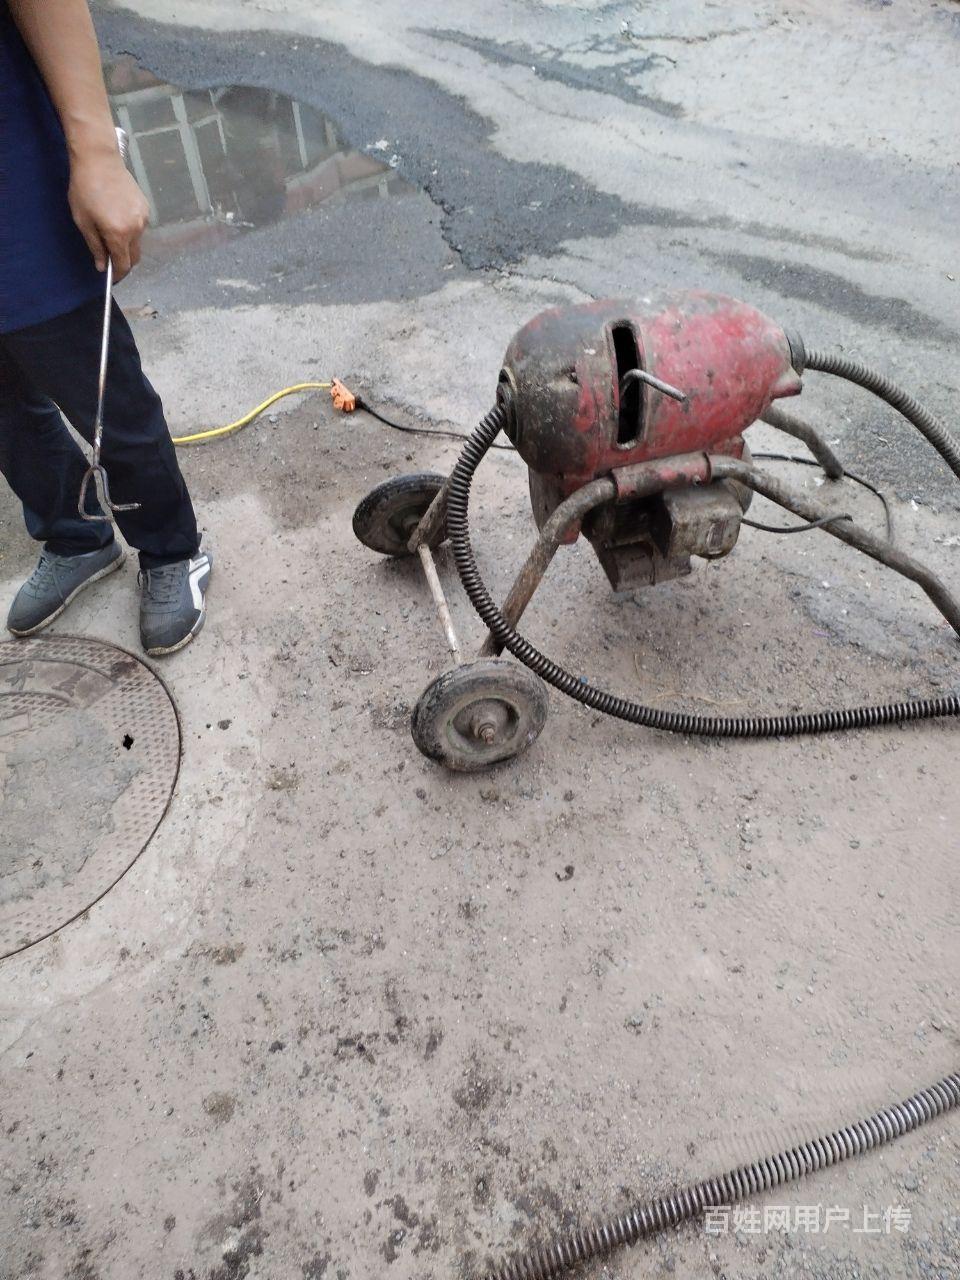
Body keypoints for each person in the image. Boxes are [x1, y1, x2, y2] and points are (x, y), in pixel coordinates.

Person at [0, 0, 211, 656]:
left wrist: (94, 153)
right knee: (5, 411)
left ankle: (170, 547)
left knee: (92, 381)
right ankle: (76, 535)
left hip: (11, 173)